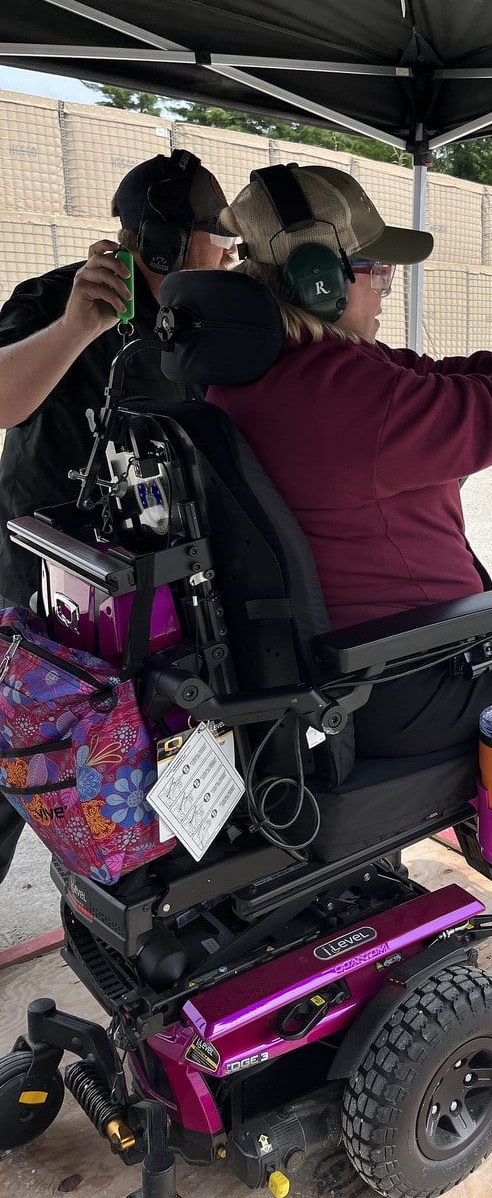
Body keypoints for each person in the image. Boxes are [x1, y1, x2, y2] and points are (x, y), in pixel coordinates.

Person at [207, 163, 492, 822]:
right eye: (377, 273)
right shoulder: (338, 395)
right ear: (322, 278)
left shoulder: (270, 373)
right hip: (408, 687)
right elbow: (487, 417)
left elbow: (451, 380)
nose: (385, 291)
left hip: (332, 676)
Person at [0, 150, 238, 886]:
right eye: (214, 238)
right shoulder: (53, 299)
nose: (228, 253)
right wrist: (77, 326)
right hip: (37, 581)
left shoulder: (200, 316)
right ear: (167, 238)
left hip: (148, 593)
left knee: (138, 755)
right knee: (19, 755)